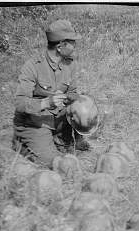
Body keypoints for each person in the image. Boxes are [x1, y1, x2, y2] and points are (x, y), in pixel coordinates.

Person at [12, 19, 93, 168]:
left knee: (84, 106)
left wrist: (73, 98)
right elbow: (19, 103)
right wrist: (46, 102)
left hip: (56, 118)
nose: (75, 45)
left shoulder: (70, 64)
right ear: (60, 45)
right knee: (57, 164)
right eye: (72, 42)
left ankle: (63, 139)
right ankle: (22, 141)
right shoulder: (32, 66)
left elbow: (73, 92)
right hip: (34, 122)